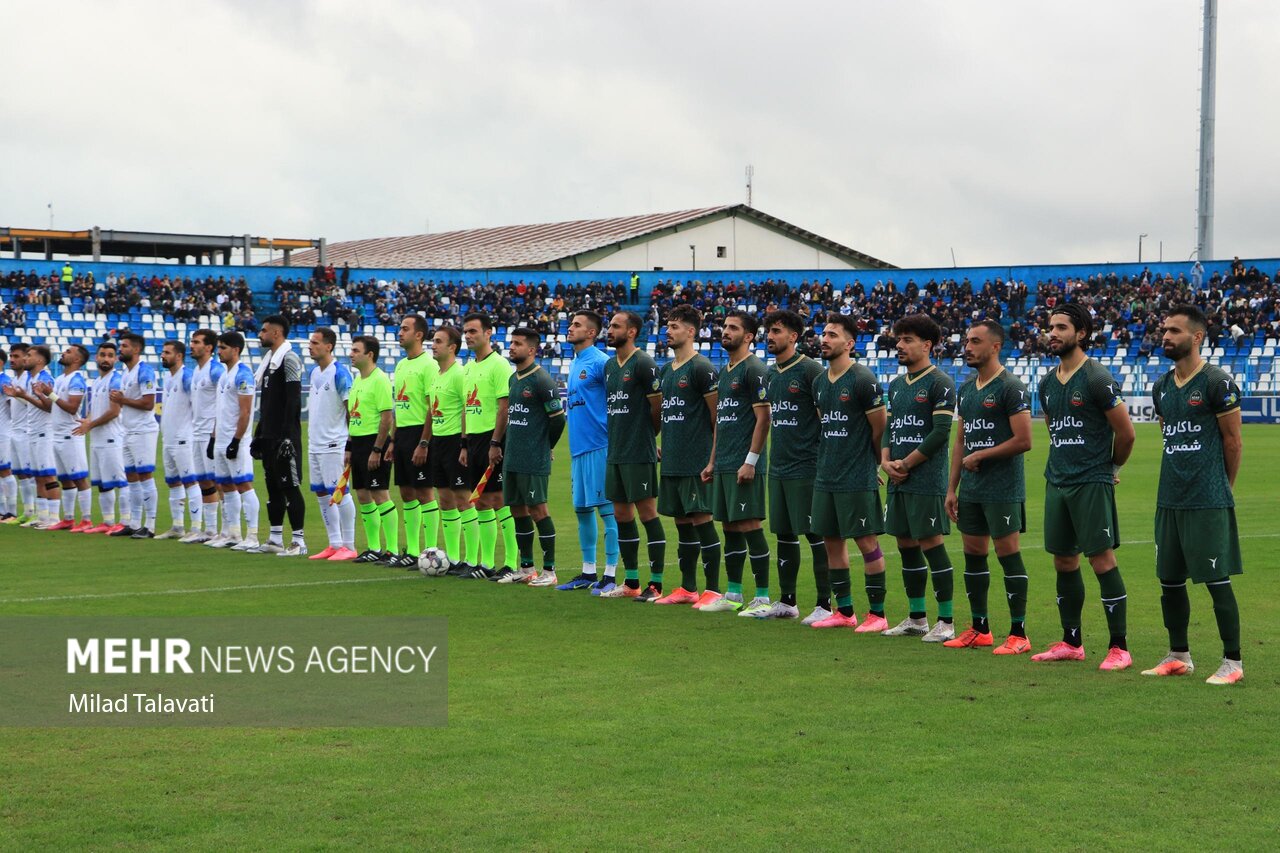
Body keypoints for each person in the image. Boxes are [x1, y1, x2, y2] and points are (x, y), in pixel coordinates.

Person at [1143, 305, 1245, 685]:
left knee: (1217, 581)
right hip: (1169, 498)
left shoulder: (1217, 382)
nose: (1165, 336)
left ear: (1197, 337)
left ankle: (1232, 662)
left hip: (1207, 499)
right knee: (1169, 581)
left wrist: (1222, 489)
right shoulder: (1161, 386)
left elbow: (1233, 442)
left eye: (1173, 331)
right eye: (1163, 330)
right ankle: (1179, 655)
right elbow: (1169, 435)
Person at [1031, 303, 1136, 670]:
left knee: (1101, 558)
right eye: (1051, 327)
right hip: (1056, 479)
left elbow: (1126, 433)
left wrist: (1112, 468)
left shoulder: (1096, 377)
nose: (1053, 333)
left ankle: (1119, 646)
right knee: (1063, 560)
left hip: (1091, 480)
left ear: (1082, 333)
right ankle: (1071, 641)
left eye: (1062, 327)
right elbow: (1052, 427)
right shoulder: (1046, 383)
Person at [944, 321, 1034, 654]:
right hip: (972, 490)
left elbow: (1024, 440)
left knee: (1008, 556)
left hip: (1003, 489)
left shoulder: (1011, 387)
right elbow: (961, 442)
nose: (967, 346)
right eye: (966, 340)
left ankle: (1019, 634)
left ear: (995, 346)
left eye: (975, 341)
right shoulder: (967, 389)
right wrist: (952, 488)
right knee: (974, 556)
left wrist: (982, 455)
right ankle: (980, 628)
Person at [807, 312, 890, 630]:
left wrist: (873, 465)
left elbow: (879, 429)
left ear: (850, 343)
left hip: (856, 476)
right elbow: (823, 424)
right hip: (825, 475)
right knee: (831, 542)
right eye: (823, 334)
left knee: (866, 543)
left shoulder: (862, 379)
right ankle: (844, 611)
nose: (824, 339)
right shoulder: (818, 383)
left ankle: (878, 615)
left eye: (832, 335)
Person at [880, 314, 958, 642]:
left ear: (926, 345)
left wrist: (906, 464)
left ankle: (947, 621)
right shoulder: (896, 385)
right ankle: (916, 617)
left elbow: (941, 432)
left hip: (925, 479)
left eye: (907, 340)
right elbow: (889, 428)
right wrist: (885, 461)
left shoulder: (940, 382)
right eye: (899, 339)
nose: (899, 345)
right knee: (904, 543)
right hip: (898, 477)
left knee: (931, 543)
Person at [699, 310, 772, 614]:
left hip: (745, 463)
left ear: (750, 336)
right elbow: (721, 422)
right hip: (725, 462)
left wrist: (751, 461)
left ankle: (764, 598)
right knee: (729, 527)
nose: (725, 331)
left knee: (749, 525)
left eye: (733, 328)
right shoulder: (726, 370)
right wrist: (713, 461)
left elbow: (764, 417)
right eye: (724, 327)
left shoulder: (754, 369)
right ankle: (733, 595)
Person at [762, 309, 831, 621]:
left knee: (816, 534)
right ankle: (788, 602)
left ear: (793, 336)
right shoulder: (771, 374)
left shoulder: (811, 370)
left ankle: (825, 605)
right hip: (778, 466)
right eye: (768, 331)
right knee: (784, 534)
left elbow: (826, 419)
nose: (770, 337)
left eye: (776, 331)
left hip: (807, 466)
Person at [652, 305, 720, 606]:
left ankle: (714, 590)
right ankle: (687, 588)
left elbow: (717, 418)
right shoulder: (666, 371)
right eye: (668, 325)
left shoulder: (701, 367)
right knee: (682, 524)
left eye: (675, 326)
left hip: (697, 461)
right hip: (672, 461)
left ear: (691, 332)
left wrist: (712, 459)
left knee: (702, 521)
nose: (668, 330)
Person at [599, 310, 666, 599]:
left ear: (632, 332)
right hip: (615, 452)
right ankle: (631, 582)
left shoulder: (644, 363)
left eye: (616, 326)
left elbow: (657, 408)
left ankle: (657, 583)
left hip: (638, 452)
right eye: (609, 325)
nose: (609, 330)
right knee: (621, 515)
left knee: (648, 514)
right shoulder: (610, 366)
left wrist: (647, 439)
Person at [555, 310, 621, 593]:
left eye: (577, 325)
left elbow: (618, 403)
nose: (571, 328)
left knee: (607, 511)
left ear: (592, 333)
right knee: (582, 510)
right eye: (571, 324)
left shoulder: (601, 362)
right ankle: (587, 571)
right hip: (578, 449)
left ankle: (610, 574)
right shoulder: (576, 362)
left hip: (600, 445)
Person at [497, 328, 565, 586]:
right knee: (517, 511)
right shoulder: (514, 379)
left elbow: (558, 420)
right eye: (511, 342)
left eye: (518, 343)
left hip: (533, 458)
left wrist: (546, 446)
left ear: (532, 350)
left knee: (539, 510)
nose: (511, 347)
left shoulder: (542, 381)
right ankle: (527, 568)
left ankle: (549, 571)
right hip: (512, 457)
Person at [457, 312, 515, 579]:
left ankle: (513, 562)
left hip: (495, 439)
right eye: (466, 332)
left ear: (488, 333)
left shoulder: (499, 365)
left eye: (473, 331)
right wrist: (465, 445)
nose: (468, 336)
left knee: (499, 499)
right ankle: (487, 564)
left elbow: (504, 408)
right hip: (475, 441)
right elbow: (466, 409)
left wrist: (495, 442)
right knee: (479, 501)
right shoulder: (467, 367)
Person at [414, 325, 469, 570]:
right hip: (438, 442)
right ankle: (454, 559)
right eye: (432, 341)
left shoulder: (459, 374)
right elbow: (430, 410)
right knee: (445, 500)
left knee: (463, 500)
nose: (432, 345)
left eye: (438, 341)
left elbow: (468, 410)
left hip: (456, 441)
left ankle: (472, 560)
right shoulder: (435, 374)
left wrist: (465, 444)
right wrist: (425, 442)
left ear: (452, 347)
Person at [251, 315, 307, 556]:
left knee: (290, 487)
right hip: (270, 436)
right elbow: (269, 404)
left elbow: (294, 400)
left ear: (276, 333)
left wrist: (286, 436)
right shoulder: (268, 362)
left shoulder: (290, 359)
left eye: (263, 331)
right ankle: (274, 539)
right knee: (273, 488)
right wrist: (260, 432)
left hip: (285, 437)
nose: (260, 335)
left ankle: (299, 541)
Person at [387, 314, 439, 568]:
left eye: (405, 329)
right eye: (400, 328)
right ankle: (413, 550)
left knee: (424, 492)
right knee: (407, 493)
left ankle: (429, 550)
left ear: (419, 335)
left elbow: (431, 407)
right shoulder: (400, 365)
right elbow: (399, 405)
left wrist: (424, 442)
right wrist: (393, 440)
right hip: (403, 434)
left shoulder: (429, 365)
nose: (400, 332)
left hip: (421, 432)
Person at [306, 327, 358, 561]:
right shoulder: (314, 373)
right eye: (311, 342)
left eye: (316, 343)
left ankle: (349, 544)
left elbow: (351, 410)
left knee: (340, 492)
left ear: (328, 346)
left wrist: (350, 442)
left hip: (333, 444)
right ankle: (334, 543)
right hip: (314, 444)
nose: (311, 346)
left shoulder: (340, 373)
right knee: (320, 492)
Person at [206, 332, 261, 550]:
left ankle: (253, 535)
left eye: (222, 348)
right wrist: (213, 438)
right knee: (225, 486)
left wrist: (236, 441)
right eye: (218, 347)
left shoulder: (243, 375)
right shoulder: (223, 375)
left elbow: (246, 412)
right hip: (220, 439)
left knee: (243, 485)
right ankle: (233, 533)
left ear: (235, 350)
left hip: (235, 440)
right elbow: (220, 411)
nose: (219, 351)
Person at [346, 336, 396, 563]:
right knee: (363, 495)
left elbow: (387, 418)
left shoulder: (380, 380)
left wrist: (377, 449)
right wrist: (349, 446)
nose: (351, 354)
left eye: (356, 350)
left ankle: (392, 549)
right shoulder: (357, 380)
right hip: (357, 443)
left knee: (380, 494)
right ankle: (373, 547)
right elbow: (353, 415)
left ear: (370, 355)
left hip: (374, 443)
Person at [109, 333, 159, 538]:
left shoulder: (145, 371)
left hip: (143, 431)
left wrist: (123, 400)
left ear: (136, 349)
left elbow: (149, 404)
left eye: (125, 346)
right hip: (128, 431)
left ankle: (151, 525)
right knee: (132, 479)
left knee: (145, 477)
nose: (121, 349)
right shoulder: (125, 373)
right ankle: (134, 522)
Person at [74, 342, 126, 533]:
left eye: (110, 355)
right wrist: (86, 421)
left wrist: (90, 424)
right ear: (97, 357)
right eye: (103, 355)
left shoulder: (115, 380)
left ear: (115, 359)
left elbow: (114, 411)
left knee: (120, 482)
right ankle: (108, 521)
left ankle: (125, 521)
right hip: (97, 439)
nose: (106, 359)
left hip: (112, 438)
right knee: (102, 483)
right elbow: (92, 411)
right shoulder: (96, 382)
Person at [43, 345, 92, 530]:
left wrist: (51, 395)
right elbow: (54, 406)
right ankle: (69, 518)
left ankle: (86, 519)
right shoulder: (60, 378)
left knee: (79, 478)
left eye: (69, 352)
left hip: (71, 434)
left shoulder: (77, 379)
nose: (64, 353)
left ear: (78, 360)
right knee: (65, 479)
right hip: (57, 434)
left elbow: (72, 407)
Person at [182, 329, 224, 543]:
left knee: (221, 483)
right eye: (191, 341)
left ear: (209, 347)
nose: (192, 345)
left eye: (196, 342)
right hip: (197, 433)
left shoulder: (216, 371)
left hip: (211, 433)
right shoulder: (197, 372)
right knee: (204, 482)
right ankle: (209, 531)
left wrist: (216, 434)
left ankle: (228, 531)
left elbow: (224, 402)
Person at [156, 340, 200, 540]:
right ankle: (177, 526)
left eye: (167, 352)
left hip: (184, 439)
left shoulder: (186, 377)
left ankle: (197, 528)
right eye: (163, 352)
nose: (163, 355)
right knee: (173, 483)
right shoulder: (167, 378)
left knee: (191, 482)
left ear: (179, 356)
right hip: (168, 438)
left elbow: (197, 406)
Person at [14, 345, 61, 528]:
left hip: (44, 432)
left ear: (40, 360)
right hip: (32, 432)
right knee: (38, 476)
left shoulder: (45, 378)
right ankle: (42, 517)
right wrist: (19, 396)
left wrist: (25, 395)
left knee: (48, 475)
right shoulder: (30, 379)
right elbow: (31, 404)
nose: (26, 359)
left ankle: (54, 517)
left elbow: (50, 407)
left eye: (29, 355)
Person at [3, 344, 35, 524]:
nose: (13, 360)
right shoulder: (15, 380)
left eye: (16, 356)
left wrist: (17, 396)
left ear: (26, 358)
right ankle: (27, 512)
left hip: (27, 431)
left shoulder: (30, 379)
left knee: (31, 474)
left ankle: (37, 512)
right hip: (15, 430)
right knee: (21, 473)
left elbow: (35, 403)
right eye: (11, 356)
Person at [0, 348, 16, 522]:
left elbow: (14, 409)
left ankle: (11, 511)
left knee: (5, 470)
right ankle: (1, 510)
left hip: (3, 432)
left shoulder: (4, 381)